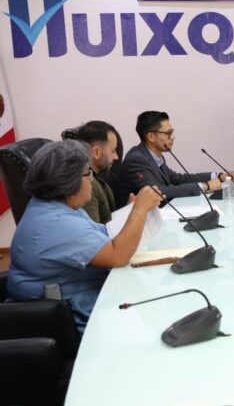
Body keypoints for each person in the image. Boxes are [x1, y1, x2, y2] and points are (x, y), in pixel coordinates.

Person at [7, 140, 162, 333]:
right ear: (68, 182)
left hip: (81, 302)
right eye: (88, 172)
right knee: (154, 321)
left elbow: (104, 234)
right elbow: (118, 256)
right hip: (67, 323)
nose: (91, 179)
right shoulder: (57, 223)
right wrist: (139, 210)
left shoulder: (55, 206)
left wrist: (132, 211)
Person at [116, 111, 234, 207]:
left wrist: (218, 176)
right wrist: (206, 186)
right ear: (151, 136)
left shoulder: (154, 156)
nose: (173, 137)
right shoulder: (137, 160)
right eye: (168, 133)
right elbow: (159, 192)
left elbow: (178, 179)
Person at [77, 120, 119, 223]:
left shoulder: (96, 176)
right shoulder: (87, 185)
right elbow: (94, 230)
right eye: (113, 151)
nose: (116, 157)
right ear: (96, 152)